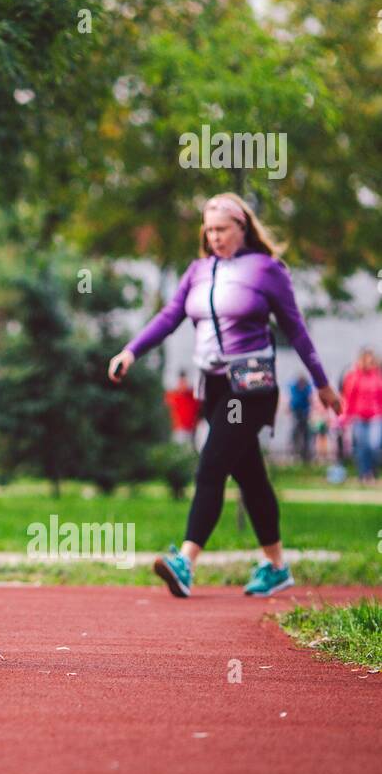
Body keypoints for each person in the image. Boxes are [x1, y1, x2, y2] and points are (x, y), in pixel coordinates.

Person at [108, 192, 341, 599]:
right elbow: (169, 316)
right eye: (209, 229)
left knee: (212, 463)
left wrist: (322, 382)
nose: (214, 236)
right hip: (213, 386)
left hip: (248, 387)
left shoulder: (267, 270)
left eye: (222, 229)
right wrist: (131, 350)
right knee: (249, 475)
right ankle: (276, 566)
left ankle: (185, 560)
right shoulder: (199, 271)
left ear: (242, 228)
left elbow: (297, 330)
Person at [341, 348, 382, 483]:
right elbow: (348, 396)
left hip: (376, 416)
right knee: (361, 447)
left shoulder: (378, 377)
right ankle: (364, 474)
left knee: (374, 444)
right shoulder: (353, 376)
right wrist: (345, 416)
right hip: (358, 416)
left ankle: (372, 471)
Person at [164, 371, 202, 449]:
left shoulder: (192, 396)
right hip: (179, 429)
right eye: (181, 382)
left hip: (193, 429)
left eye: (184, 382)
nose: (183, 384)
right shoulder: (173, 395)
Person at [288, 374, 313, 465]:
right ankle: (294, 451)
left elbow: (310, 399)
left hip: (304, 412)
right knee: (295, 431)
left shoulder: (307, 388)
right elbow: (291, 400)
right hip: (296, 411)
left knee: (306, 433)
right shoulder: (294, 387)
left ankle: (306, 454)